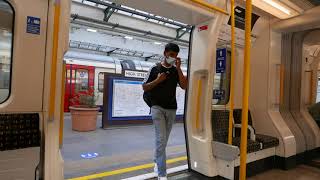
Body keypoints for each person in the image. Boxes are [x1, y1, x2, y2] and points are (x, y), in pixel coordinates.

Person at [142, 43, 187, 179]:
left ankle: (156, 161)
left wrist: (179, 69)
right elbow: (144, 87)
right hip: (157, 108)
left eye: (175, 56)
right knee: (161, 140)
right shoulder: (155, 69)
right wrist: (157, 80)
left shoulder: (175, 71)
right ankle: (162, 174)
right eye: (171, 55)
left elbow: (184, 86)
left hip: (171, 109)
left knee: (163, 141)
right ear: (165, 53)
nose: (173, 58)